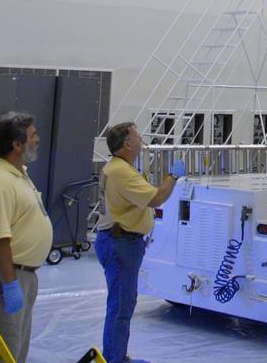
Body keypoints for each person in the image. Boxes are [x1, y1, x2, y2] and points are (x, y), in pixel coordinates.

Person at [0, 112, 53, 362]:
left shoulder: (16, 174)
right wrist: (9, 284)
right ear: (17, 144)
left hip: (17, 274)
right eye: (33, 135)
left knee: (12, 349)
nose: (37, 139)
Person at [96, 122, 183, 363]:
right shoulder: (121, 172)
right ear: (127, 144)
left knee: (123, 302)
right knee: (121, 305)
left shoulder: (117, 168)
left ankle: (116, 354)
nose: (142, 140)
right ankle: (115, 358)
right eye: (137, 136)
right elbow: (156, 198)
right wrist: (173, 177)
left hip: (122, 241)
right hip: (120, 242)